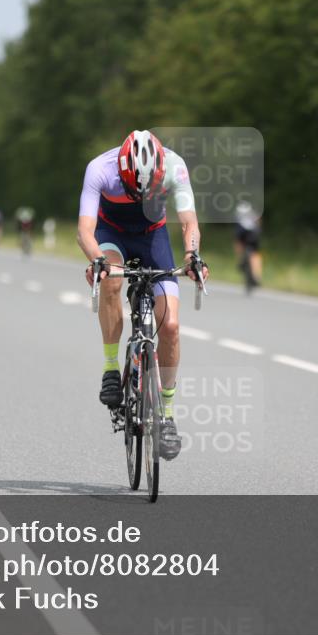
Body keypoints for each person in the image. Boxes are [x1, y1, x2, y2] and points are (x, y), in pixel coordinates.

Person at [77, 130, 209, 460]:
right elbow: (84, 231)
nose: (140, 195)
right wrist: (97, 260)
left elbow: (189, 223)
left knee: (172, 327)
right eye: (135, 188)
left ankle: (166, 415)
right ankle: (110, 369)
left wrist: (192, 257)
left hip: (152, 236)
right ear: (124, 170)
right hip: (112, 235)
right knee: (110, 281)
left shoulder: (175, 166)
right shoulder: (101, 169)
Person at [233, 200, 263, 288]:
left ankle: (240, 260)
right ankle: (257, 276)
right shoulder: (253, 214)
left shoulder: (238, 214)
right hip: (253, 234)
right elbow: (258, 223)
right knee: (255, 254)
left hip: (242, 233)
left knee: (238, 243)